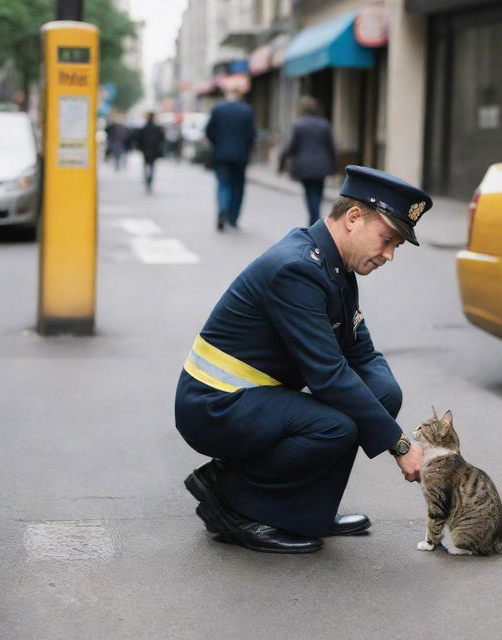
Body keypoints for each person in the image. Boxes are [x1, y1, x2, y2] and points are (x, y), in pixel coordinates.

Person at [175, 165, 433, 554]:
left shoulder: (335, 268)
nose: (390, 255)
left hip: (256, 397)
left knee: (380, 394)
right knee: (335, 425)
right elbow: (329, 376)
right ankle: (231, 502)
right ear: (353, 218)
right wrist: (399, 445)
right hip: (216, 402)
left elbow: (362, 352)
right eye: (387, 239)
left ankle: (304, 511)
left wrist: (385, 398)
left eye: (396, 245)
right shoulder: (297, 268)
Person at [205, 87, 256, 230]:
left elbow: (209, 131)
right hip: (240, 155)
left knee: (223, 184)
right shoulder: (246, 111)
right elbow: (251, 135)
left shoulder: (218, 110)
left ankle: (222, 209)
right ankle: (233, 218)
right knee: (238, 187)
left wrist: (217, 144)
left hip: (221, 154)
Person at [280, 96, 336, 225]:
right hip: (322, 165)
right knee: (318, 192)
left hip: (305, 166)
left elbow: (292, 147)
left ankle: (314, 220)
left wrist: (282, 161)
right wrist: (333, 166)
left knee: (310, 194)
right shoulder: (324, 124)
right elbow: (331, 147)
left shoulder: (299, 125)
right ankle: (315, 219)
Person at [136, 112, 164, 192]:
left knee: (146, 165)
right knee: (152, 166)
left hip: (146, 150)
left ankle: (147, 179)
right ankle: (149, 180)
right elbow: (161, 139)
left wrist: (140, 148)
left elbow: (139, 139)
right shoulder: (157, 128)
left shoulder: (144, 128)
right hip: (154, 150)